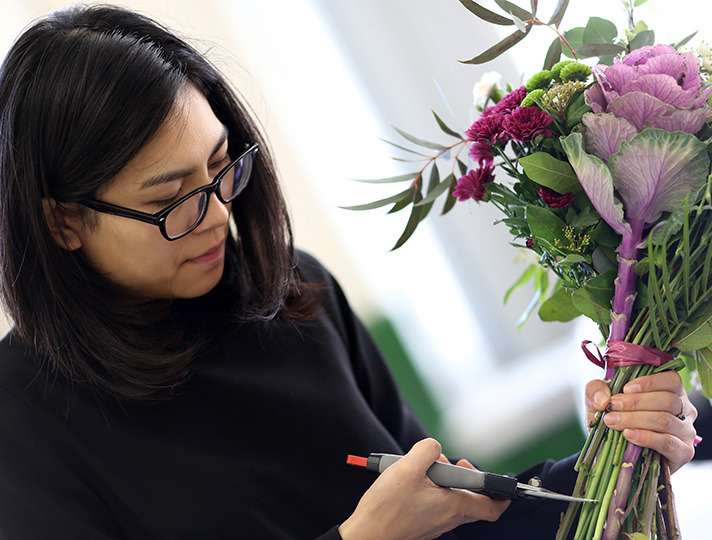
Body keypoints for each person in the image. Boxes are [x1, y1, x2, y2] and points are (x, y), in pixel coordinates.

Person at [0, 5, 698, 540]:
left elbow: (454, 519)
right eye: (169, 202)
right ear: (61, 221)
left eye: (222, 169)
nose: (217, 216)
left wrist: (620, 464)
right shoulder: (23, 421)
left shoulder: (295, 294)